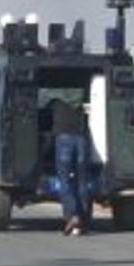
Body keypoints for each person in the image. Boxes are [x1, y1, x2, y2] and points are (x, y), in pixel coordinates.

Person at [50, 99, 91, 236]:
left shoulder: (55, 102)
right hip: (81, 138)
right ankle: (83, 221)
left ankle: (72, 216)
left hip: (64, 138)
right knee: (82, 181)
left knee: (65, 180)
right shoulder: (83, 103)